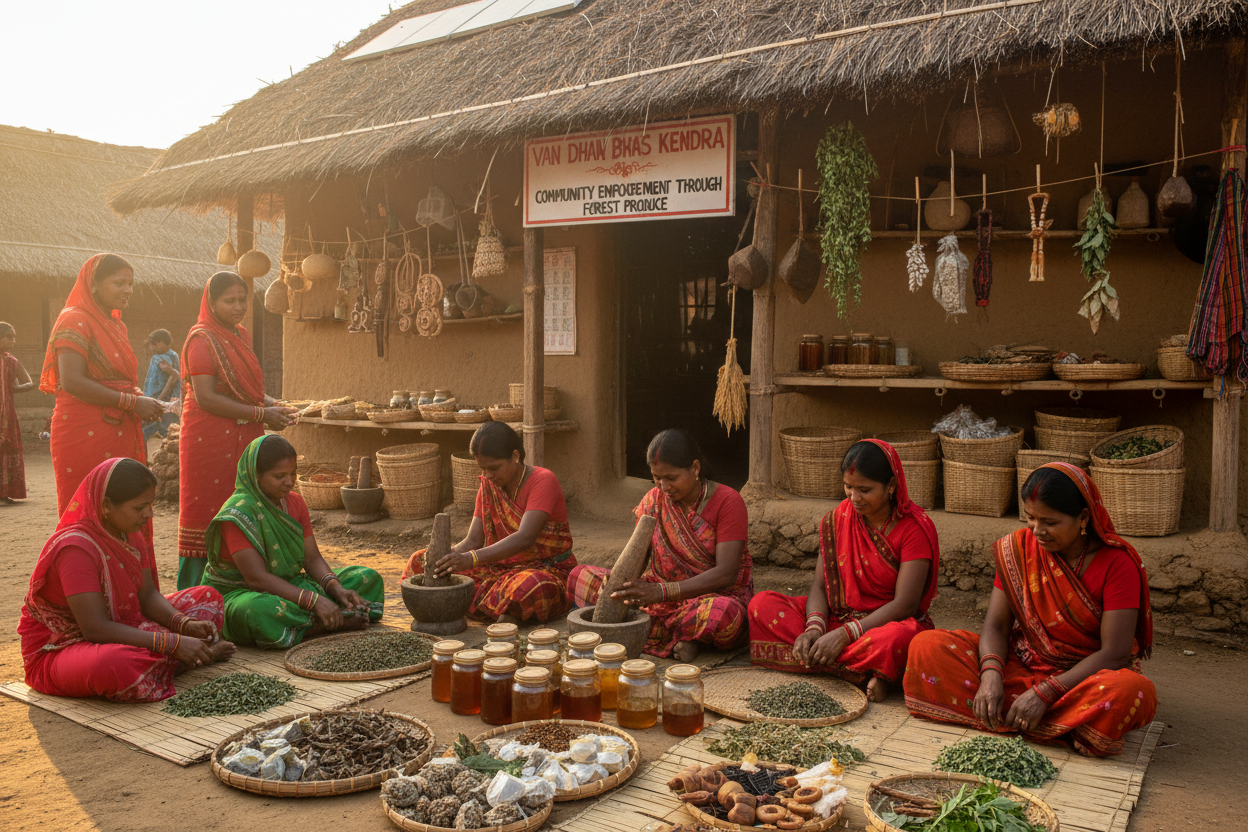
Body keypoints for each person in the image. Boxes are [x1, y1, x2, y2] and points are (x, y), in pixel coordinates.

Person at [903, 463, 1157, 757]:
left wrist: (1046, 693)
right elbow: (996, 626)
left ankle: (1023, 713)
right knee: (926, 645)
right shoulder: (1019, 549)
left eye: (1050, 522)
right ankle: (1062, 726)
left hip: (1081, 680)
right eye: (1031, 518)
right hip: (1023, 665)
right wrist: (991, 677)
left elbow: (1115, 653)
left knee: (1130, 691)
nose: (1037, 531)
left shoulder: (1117, 564)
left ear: (1083, 518)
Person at [18, 458, 234, 702]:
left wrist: (183, 624)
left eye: (151, 504)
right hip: (62, 647)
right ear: (106, 505)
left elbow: (148, 596)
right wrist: (172, 643)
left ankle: (176, 660)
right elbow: (95, 628)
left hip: (124, 624)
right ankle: (189, 658)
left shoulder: (131, 534)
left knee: (208, 598)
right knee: (114, 665)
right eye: (139, 507)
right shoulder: (76, 549)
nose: (149, 514)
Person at [748, 440, 939, 700]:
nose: (854, 497)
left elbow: (906, 604)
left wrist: (846, 634)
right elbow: (819, 586)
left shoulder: (913, 529)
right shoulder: (839, 518)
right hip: (838, 619)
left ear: (891, 486)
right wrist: (814, 629)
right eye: (848, 487)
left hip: (883, 626)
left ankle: (826, 661)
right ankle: (866, 672)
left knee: (901, 640)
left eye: (864, 490)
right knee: (761, 605)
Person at [568, 429, 753, 662]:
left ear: (695, 468)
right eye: (656, 478)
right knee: (579, 576)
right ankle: (683, 636)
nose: (664, 486)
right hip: (658, 597)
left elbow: (726, 574)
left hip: (711, 596)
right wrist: (617, 581)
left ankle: (671, 634)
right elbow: (637, 556)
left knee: (725, 615)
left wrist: (662, 592)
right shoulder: (653, 500)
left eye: (671, 478)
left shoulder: (728, 501)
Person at [204, 435, 384, 648]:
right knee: (260, 611)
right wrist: (314, 601)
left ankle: (320, 618)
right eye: (279, 476)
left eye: (293, 473)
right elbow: (257, 579)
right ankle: (322, 624)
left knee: (367, 578)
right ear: (256, 475)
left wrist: (335, 588)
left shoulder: (295, 502)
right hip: (241, 593)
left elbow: (312, 558)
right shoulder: (237, 514)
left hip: (290, 585)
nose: (289, 482)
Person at [177, 272, 296, 589]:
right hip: (209, 439)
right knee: (207, 510)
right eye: (229, 301)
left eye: (243, 299)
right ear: (211, 302)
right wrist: (262, 413)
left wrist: (273, 404)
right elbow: (206, 397)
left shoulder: (240, 334)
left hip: (245, 436)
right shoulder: (201, 339)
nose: (238, 306)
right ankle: (196, 593)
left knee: (246, 505)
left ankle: (244, 585)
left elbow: (245, 390)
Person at [403, 421, 577, 624]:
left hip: (547, 569)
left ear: (515, 456)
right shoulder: (488, 484)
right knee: (421, 561)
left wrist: (470, 559)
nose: (487, 475)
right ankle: (503, 611)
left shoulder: (543, 480)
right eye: (483, 468)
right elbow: (473, 541)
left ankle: (506, 612)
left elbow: (525, 537)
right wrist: (448, 557)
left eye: (494, 468)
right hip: (500, 568)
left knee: (529, 586)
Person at [40, 254, 164, 514]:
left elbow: (120, 381)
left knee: (124, 512)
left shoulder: (116, 324)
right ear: (94, 284)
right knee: (90, 510)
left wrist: (141, 400)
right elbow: (72, 381)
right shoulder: (74, 319)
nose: (127, 290)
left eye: (130, 284)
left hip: (119, 427)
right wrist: (132, 402)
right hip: (84, 431)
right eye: (119, 283)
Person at [1, 323, 35, 502]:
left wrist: (16, 388)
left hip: (7, 414)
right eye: (9, 337)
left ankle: (5, 492)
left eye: (13, 337)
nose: (13, 340)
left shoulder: (12, 362)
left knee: (6, 450)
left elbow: (29, 382)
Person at [142, 329, 180, 441]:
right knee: (170, 432)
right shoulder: (173, 354)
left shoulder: (159, 358)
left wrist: (159, 399)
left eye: (153, 344)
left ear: (160, 343)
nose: (151, 348)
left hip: (157, 400)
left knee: (144, 431)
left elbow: (174, 376)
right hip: (170, 402)